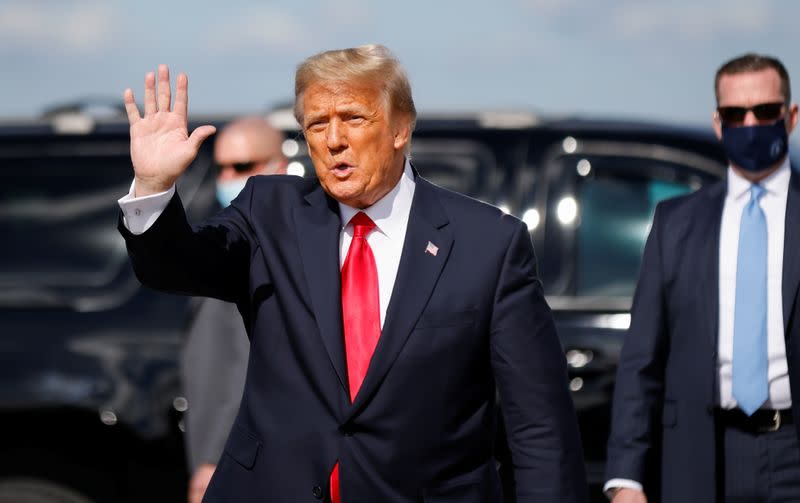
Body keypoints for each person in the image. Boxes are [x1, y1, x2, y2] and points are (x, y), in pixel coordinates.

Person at [117, 45, 588, 502]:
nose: (333, 139)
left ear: (402, 127)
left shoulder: (488, 242)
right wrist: (155, 187)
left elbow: (540, 424)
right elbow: (176, 265)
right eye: (317, 124)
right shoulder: (270, 212)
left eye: (353, 118)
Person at [605, 53, 800, 502]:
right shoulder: (677, 223)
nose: (750, 124)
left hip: (791, 451)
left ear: (789, 117)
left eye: (765, 111)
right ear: (718, 123)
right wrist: (626, 478)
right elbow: (642, 359)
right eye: (736, 114)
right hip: (702, 451)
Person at [182, 116, 288, 503]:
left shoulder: (273, 247)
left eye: (242, 167)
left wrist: (215, 458)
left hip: (243, 461)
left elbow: (243, 369)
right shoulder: (227, 237)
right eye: (221, 167)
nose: (227, 177)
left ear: (278, 165)